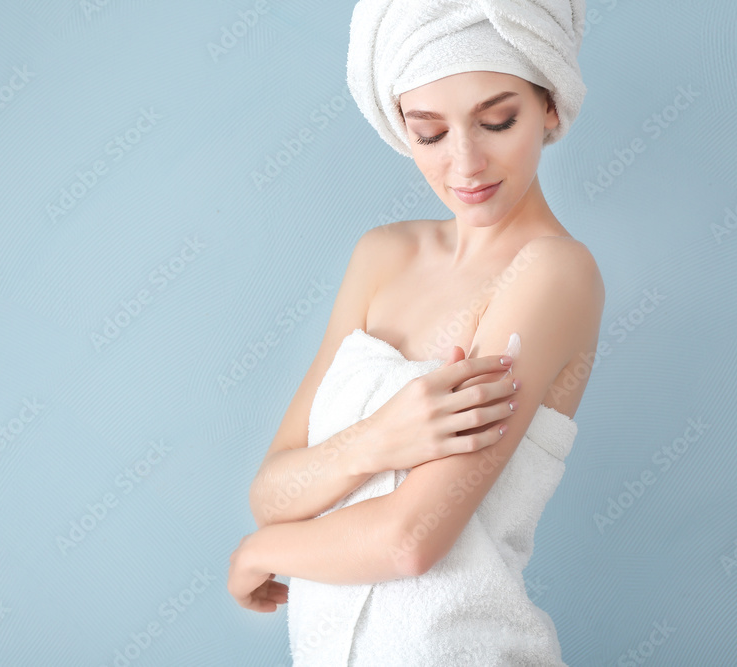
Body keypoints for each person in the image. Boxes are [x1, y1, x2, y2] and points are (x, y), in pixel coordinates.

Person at [229, 0, 604, 664]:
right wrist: (380, 438)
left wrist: (259, 552)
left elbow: (412, 538)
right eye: (429, 132)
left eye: (497, 121)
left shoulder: (553, 273)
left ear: (549, 106)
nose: (465, 164)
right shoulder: (383, 256)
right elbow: (271, 490)